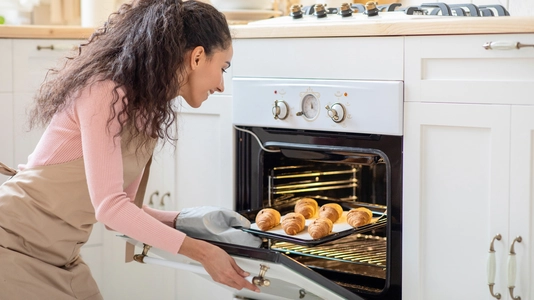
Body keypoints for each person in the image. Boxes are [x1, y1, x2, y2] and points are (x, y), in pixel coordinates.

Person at [0, 0, 262, 299]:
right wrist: (201, 252)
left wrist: (192, 221)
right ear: (198, 57)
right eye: (223, 68)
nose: (221, 84)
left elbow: (124, 208)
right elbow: (111, 210)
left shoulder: (148, 110)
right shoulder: (105, 92)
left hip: (61, 259)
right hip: (12, 249)